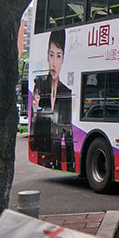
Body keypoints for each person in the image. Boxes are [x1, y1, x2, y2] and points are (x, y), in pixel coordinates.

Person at [30, 30, 74, 172]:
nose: (54, 63)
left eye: (58, 56)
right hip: (43, 145)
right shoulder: (40, 84)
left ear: (63, 59)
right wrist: (35, 110)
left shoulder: (66, 92)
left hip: (57, 152)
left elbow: (68, 131)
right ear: (47, 56)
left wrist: (70, 163)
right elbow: (34, 123)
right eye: (51, 55)